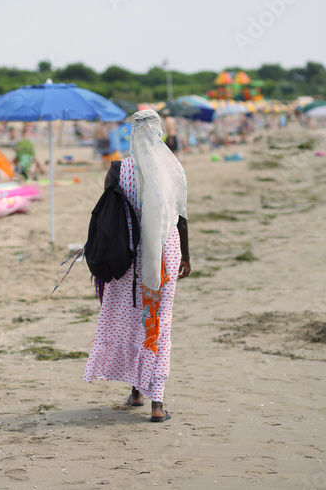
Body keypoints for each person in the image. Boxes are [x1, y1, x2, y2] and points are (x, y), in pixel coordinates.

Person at [83, 110, 191, 422]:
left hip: (128, 256)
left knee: (134, 320)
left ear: (131, 134)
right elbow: (180, 217)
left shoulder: (118, 170)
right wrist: (186, 254)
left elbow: (107, 216)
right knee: (158, 322)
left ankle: (136, 392)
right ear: (159, 133)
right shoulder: (172, 168)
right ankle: (156, 403)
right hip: (164, 256)